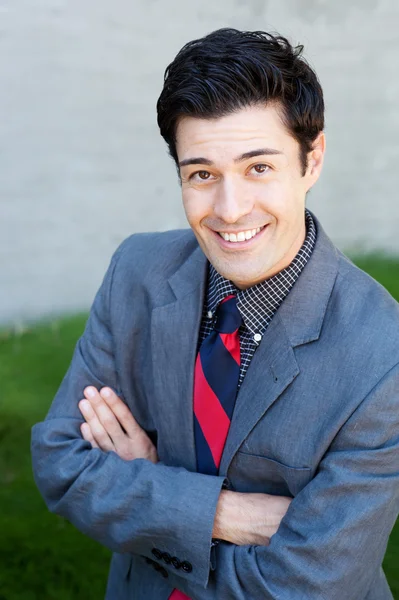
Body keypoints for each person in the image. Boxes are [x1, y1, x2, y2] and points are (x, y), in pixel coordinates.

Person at [31, 28, 399, 599]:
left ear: (312, 159)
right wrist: (222, 515)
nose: (230, 210)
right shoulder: (137, 273)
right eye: (202, 174)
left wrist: (145, 490)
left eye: (258, 168)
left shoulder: (384, 356)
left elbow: (305, 586)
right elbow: (60, 461)